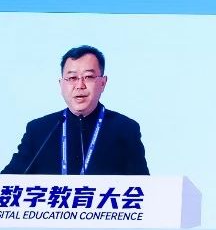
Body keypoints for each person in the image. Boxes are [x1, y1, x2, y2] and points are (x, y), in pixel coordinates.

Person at [2, 45, 149, 176]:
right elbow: (8, 181)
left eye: (88, 77)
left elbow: (145, 190)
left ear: (103, 83)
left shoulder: (125, 129)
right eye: (72, 78)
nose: (80, 85)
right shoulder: (39, 130)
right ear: (61, 84)